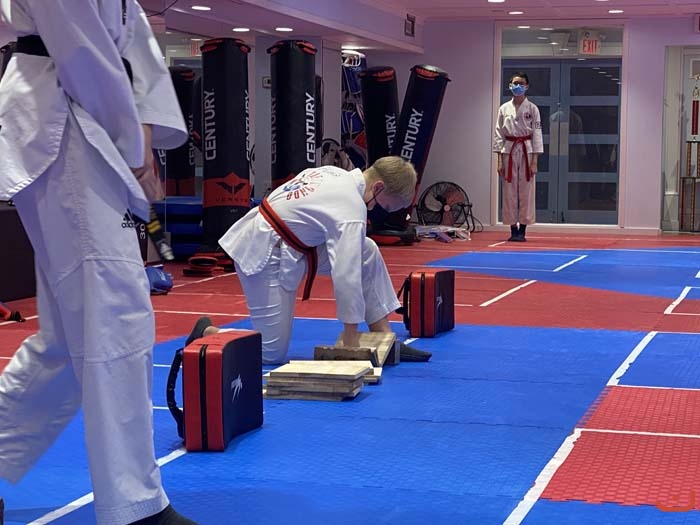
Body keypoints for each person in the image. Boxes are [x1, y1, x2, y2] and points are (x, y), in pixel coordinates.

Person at [0, 1, 195, 524]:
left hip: (88, 119)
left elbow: (133, 40)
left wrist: (143, 130)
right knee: (115, 315)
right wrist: (134, 150)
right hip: (67, 119)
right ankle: (133, 508)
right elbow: (84, 47)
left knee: (65, 344)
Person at [185, 157, 431, 364]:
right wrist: (351, 336)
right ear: (378, 187)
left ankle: (383, 336)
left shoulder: (333, 172)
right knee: (270, 353)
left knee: (366, 249)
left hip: (293, 245)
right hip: (264, 250)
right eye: (383, 205)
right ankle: (208, 332)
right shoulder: (352, 205)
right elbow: (346, 274)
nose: (377, 210)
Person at [493, 72, 544, 242]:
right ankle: (512, 229)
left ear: (527, 86)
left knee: (526, 190)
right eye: (515, 83)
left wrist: (535, 161)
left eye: (521, 83)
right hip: (508, 149)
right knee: (509, 190)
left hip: (527, 150)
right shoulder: (504, 108)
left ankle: (523, 229)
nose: (517, 86)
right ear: (510, 85)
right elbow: (499, 134)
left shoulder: (532, 109)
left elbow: (537, 134)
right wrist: (499, 161)